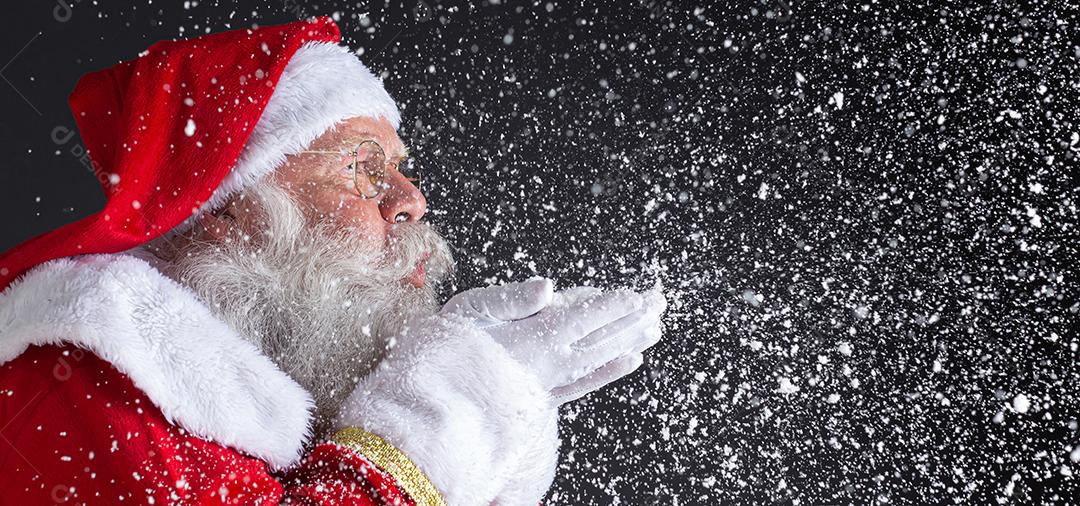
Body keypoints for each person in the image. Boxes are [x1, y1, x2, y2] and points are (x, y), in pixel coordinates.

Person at [0, 17, 664, 505]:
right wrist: (445, 410)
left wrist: (497, 423)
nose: (411, 200)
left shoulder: (284, 384)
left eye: (400, 170)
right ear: (229, 210)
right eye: (359, 169)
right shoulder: (80, 373)